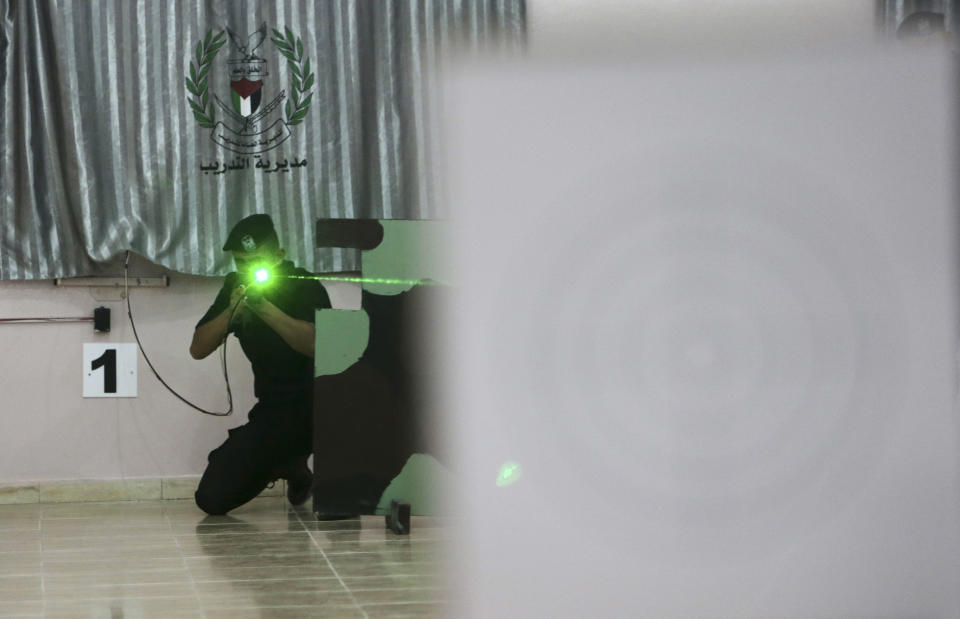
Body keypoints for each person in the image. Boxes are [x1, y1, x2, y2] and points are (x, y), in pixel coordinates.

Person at [191, 213, 331, 515]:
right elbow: (198, 348)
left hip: (325, 409)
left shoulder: (304, 284)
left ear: (279, 255)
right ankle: (293, 469)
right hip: (276, 412)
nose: (249, 269)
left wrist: (263, 308)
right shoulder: (234, 287)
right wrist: (231, 311)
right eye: (242, 262)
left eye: (257, 261)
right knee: (211, 499)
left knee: (340, 508)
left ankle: (319, 472)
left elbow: (318, 345)